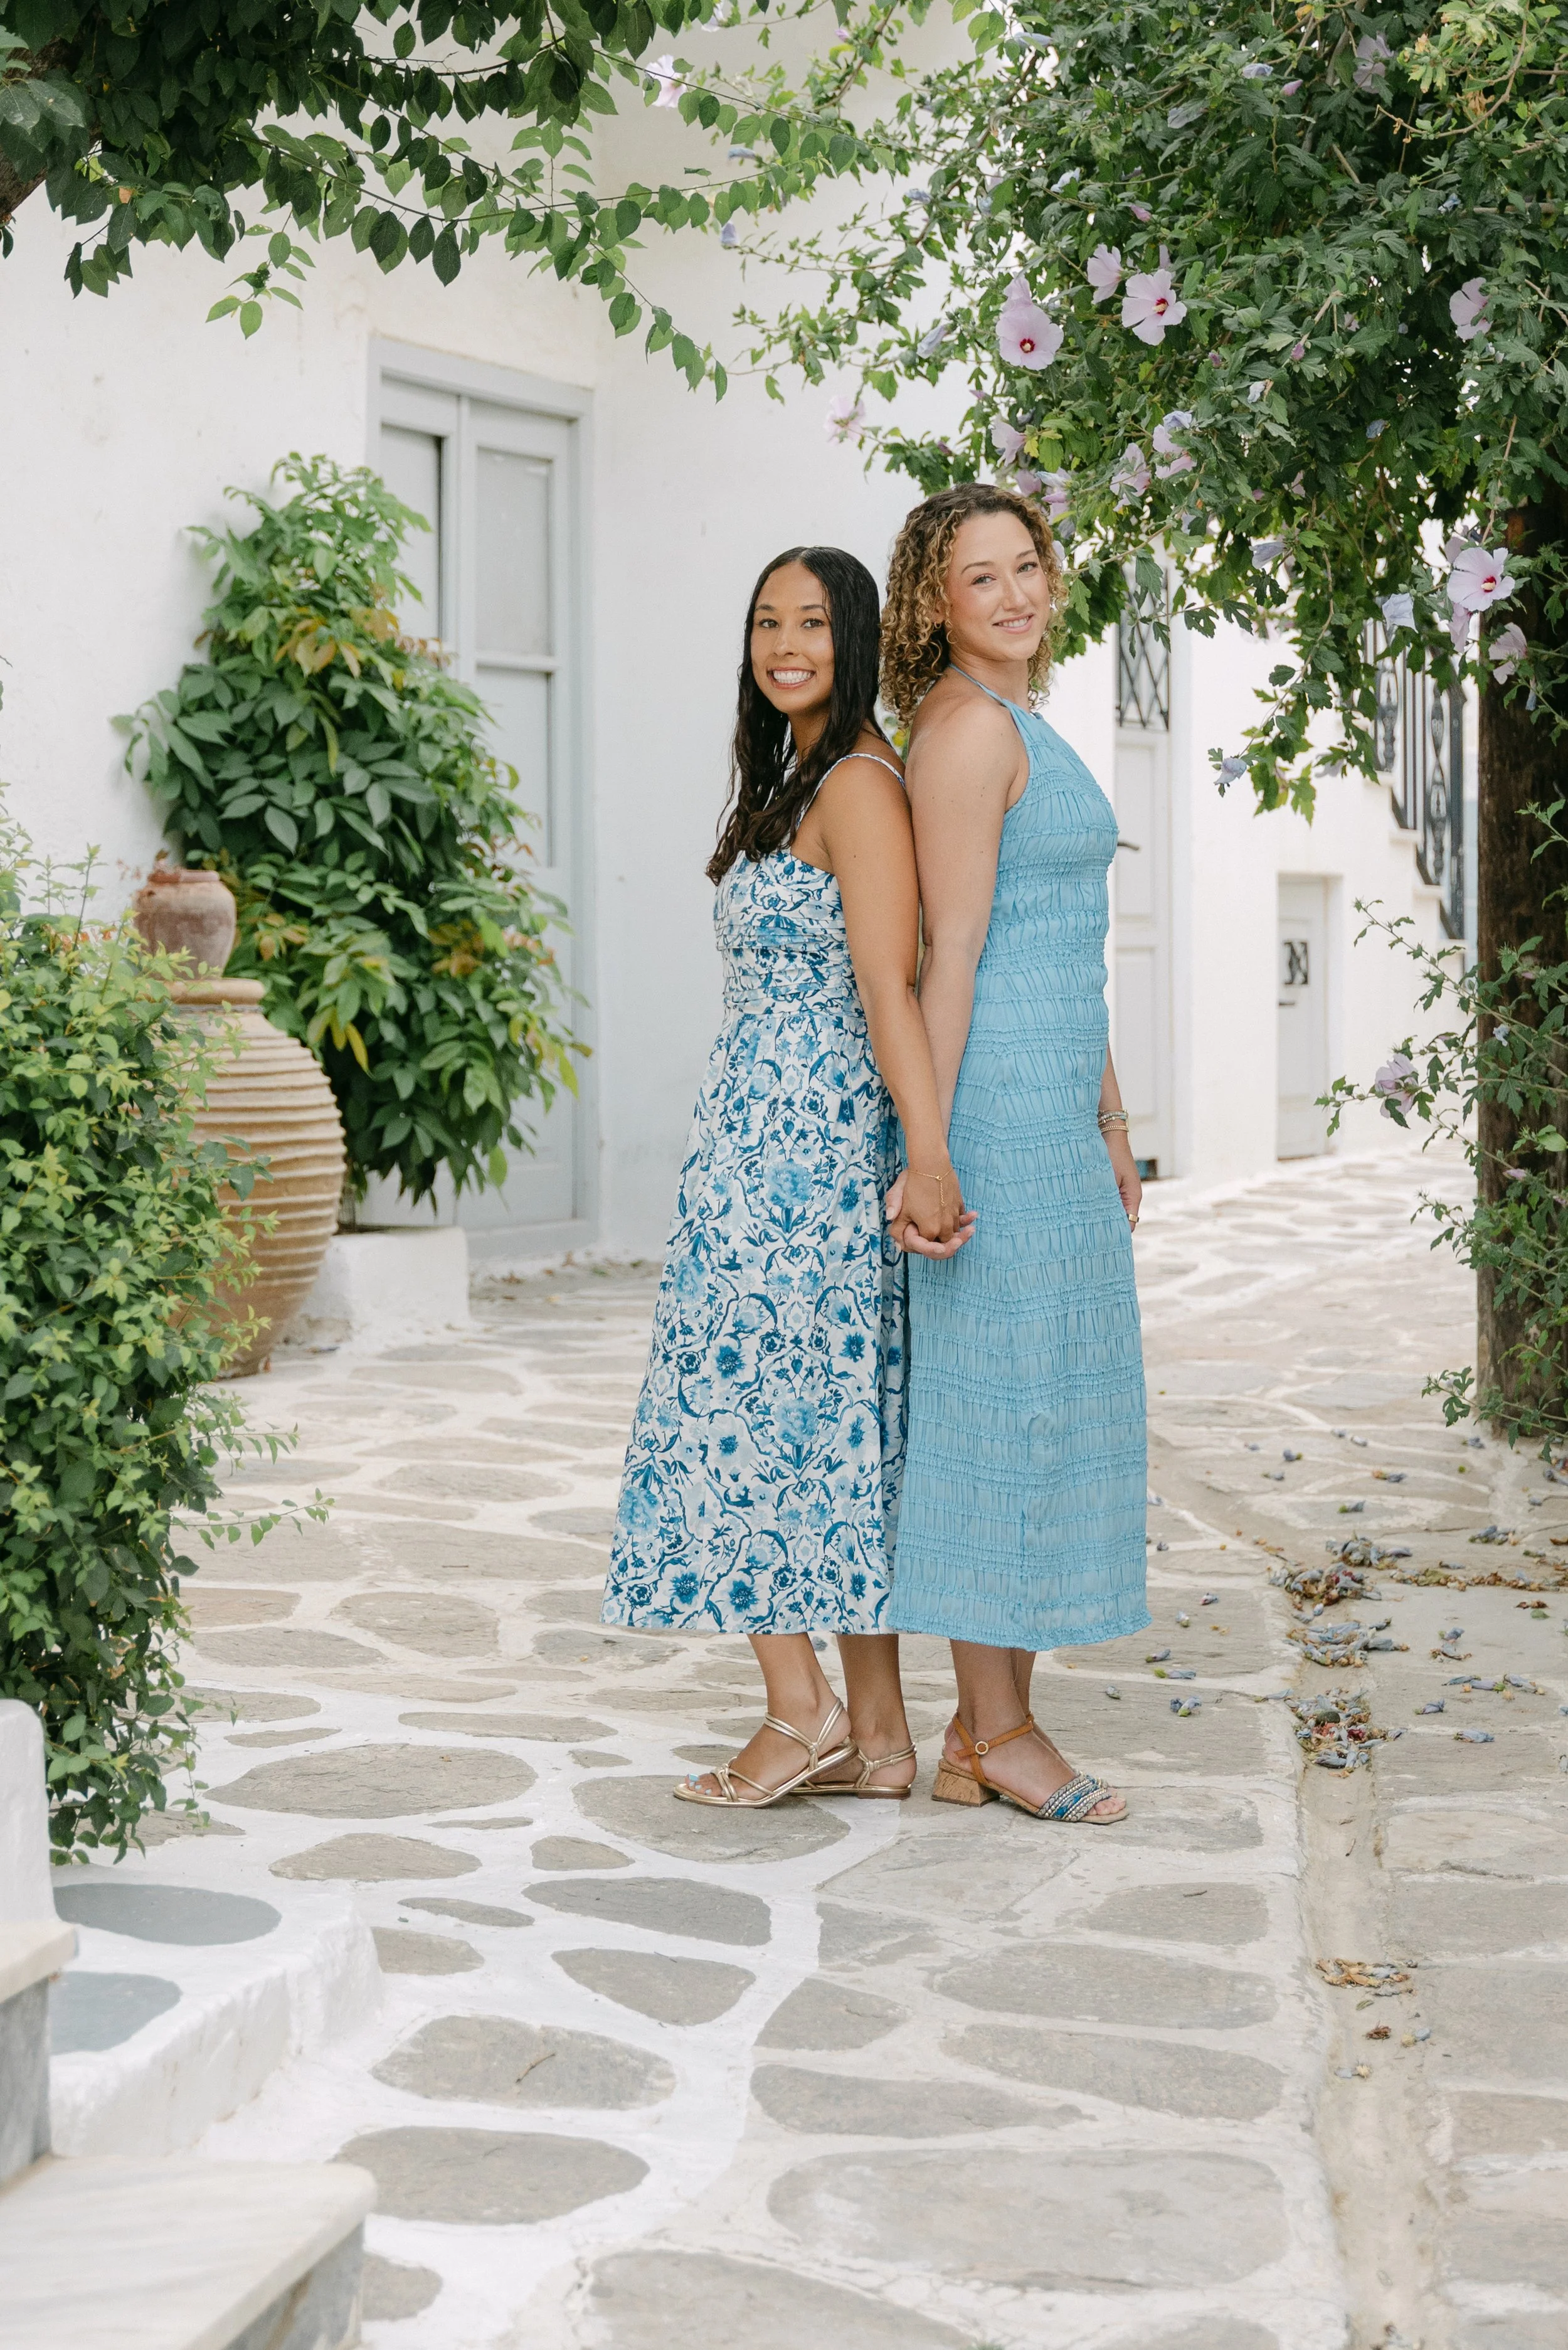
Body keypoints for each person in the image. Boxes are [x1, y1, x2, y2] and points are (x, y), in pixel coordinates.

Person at [602, 545, 973, 1807]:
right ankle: (874, 1734)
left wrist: (927, 1156)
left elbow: (888, 983)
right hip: (764, 1134)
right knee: (827, 1428)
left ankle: (795, 1706)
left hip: (802, 1153)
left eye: (810, 621)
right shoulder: (797, 778)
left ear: (854, 637)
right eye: (765, 621)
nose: (782, 643)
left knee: (736, 1415)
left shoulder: (859, 785)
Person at [881, 482, 1148, 1826]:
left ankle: (983, 1735)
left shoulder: (1018, 719)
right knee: (995, 1413)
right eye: (977, 577)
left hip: (1052, 1107)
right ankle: (1003, 1727)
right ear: (934, 605)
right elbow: (952, 957)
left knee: (1039, 1406)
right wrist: (929, 1150)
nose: (1012, 594)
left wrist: (1108, 1120)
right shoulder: (968, 734)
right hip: (987, 1108)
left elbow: (1064, 947)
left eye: (1024, 566)